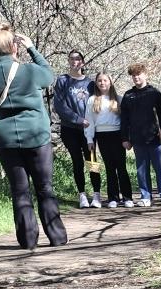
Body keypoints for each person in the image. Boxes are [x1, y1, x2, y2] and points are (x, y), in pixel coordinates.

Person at [0, 23, 68, 251]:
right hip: (36, 136)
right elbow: (48, 76)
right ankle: (56, 237)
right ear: (14, 47)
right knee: (45, 187)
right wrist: (33, 49)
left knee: (19, 190)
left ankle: (28, 240)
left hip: (5, 139)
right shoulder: (28, 71)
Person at [53, 48, 102, 208]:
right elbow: (59, 105)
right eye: (71, 59)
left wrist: (93, 122)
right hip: (70, 128)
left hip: (89, 130)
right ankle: (82, 195)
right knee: (77, 161)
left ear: (83, 62)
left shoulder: (90, 83)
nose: (74, 61)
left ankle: (96, 194)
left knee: (92, 160)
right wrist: (78, 119)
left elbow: (98, 103)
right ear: (69, 61)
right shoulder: (62, 80)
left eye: (77, 59)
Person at [119, 62, 161, 207]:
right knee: (141, 170)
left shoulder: (154, 93)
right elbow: (124, 120)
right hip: (137, 139)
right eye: (133, 75)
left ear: (145, 75)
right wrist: (125, 138)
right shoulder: (128, 96)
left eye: (138, 74)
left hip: (155, 138)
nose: (136, 78)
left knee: (160, 168)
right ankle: (146, 196)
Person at [83, 73, 134, 209]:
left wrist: (127, 138)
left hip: (117, 135)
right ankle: (113, 198)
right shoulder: (92, 100)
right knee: (109, 167)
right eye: (99, 81)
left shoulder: (119, 98)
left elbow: (126, 121)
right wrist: (89, 139)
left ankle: (127, 197)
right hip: (102, 135)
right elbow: (89, 121)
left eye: (105, 80)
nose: (102, 83)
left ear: (110, 82)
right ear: (96, 83)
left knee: (121, 167)